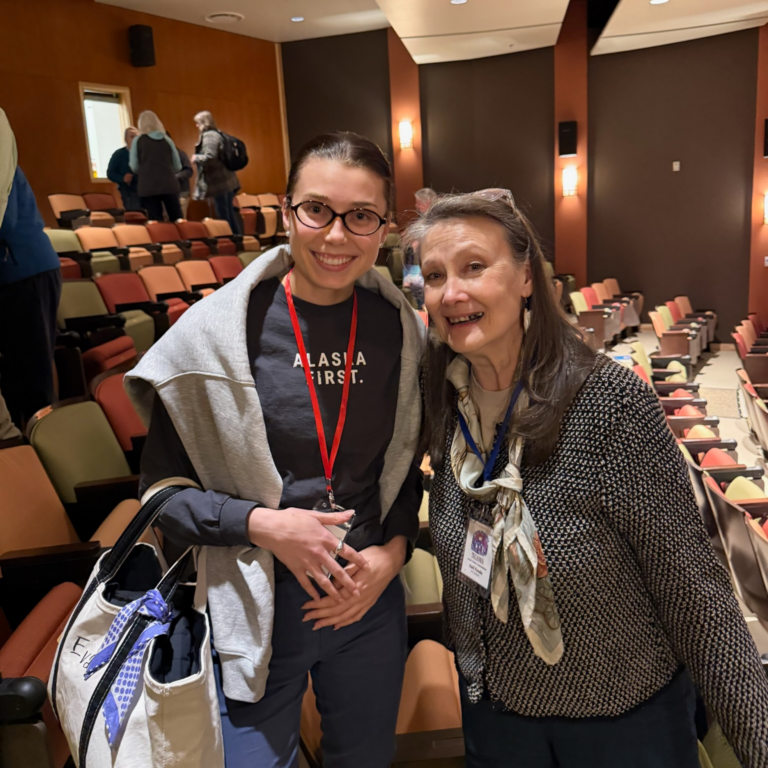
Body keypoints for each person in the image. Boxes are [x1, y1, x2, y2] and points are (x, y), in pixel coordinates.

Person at [410, 189, 768, 768]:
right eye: (433, 275)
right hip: (497, 718)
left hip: (624, 725)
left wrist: (758, 743)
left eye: (474, 266)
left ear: (526, 276)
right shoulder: (441, 399)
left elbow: (694, 592)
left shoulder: (607, 404)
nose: (452, 293)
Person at [126, 131, 426, 768]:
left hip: (366, 600)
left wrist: (393, 555)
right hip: (253, 602)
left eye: (361, 216)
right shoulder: (215, 336)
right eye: (316, 210)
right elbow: (159, 498)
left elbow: (404, 475)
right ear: (287, 211)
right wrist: (265, 526)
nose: (336, 236)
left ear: (384, 228)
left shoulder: (403, 332)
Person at [0, 108, 62, 429]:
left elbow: (4, 220)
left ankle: (42, 463)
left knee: (29, 384)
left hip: (24, 270)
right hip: (21, 270)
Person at [192, 110, 241, 234]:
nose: (196, 126)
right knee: (228, 213)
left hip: (220, 183)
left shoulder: (209, 136)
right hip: (226, 181)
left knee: (224, 215)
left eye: (198, 123)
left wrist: (196, 158)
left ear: (204, 123)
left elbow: (210, 156)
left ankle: (233, 241)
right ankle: (237, 239)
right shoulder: (218, 134)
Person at [129, 110, 183, 222]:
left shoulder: (138, 141)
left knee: (155, 221)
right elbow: (178, 166)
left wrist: (146, 171)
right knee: (177, 219)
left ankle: (162, 239)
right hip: (169, 185)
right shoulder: (167, 140)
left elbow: (134, 166)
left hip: (148, 186)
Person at [106, 126, 141, 211]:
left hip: (145, 190)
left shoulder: (144, 153)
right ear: (126, 139)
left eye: (137, 137)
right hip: (129, 191)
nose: (135, 139)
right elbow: (110, 173)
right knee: (135, 214)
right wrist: (122, 178)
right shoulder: (119, 154)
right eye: (132, 136)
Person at [176, 146, 193, 219]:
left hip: (181, 192)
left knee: (180, 220)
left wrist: (174, 177)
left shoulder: (180, 154)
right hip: (166, 194)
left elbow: (189, 171)